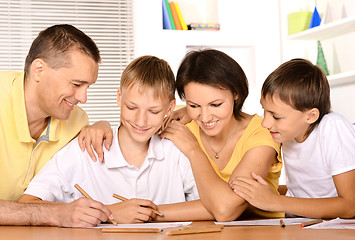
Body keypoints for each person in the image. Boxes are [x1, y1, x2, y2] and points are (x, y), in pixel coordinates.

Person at [19, 55, 213, 225]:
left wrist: (147, 214)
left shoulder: (176, 151)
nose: (140, 121)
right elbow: (27, 204)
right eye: (131, 107)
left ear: (170, 108)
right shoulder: (85, 148)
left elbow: (213, 206)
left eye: (153, 111)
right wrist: (108, 212)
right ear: (119, 97)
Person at [0, 24, 113, 226]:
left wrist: (101, 124)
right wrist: (48, 214)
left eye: (88, 86)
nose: (83, 98)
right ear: (39, 70)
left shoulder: (77, 120)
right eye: (77, 84)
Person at [158, 49, 283, 221]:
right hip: (205, 231)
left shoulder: (262, 131)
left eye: (215, 105)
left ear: (236, 94)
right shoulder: (184, 127)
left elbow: (226, 209)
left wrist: (193, 150)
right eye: (194, 106)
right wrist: (106, 126)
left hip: (267, 231)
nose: (206, 117)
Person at [230, 58, 355, 219]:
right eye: (265, 110)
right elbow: (307, 189)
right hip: (297, 222)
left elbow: (351, 206)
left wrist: (275, 201)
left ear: (311, 116)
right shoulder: (289, 133)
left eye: (276, 116)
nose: (265, 123)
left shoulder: (333, 127)